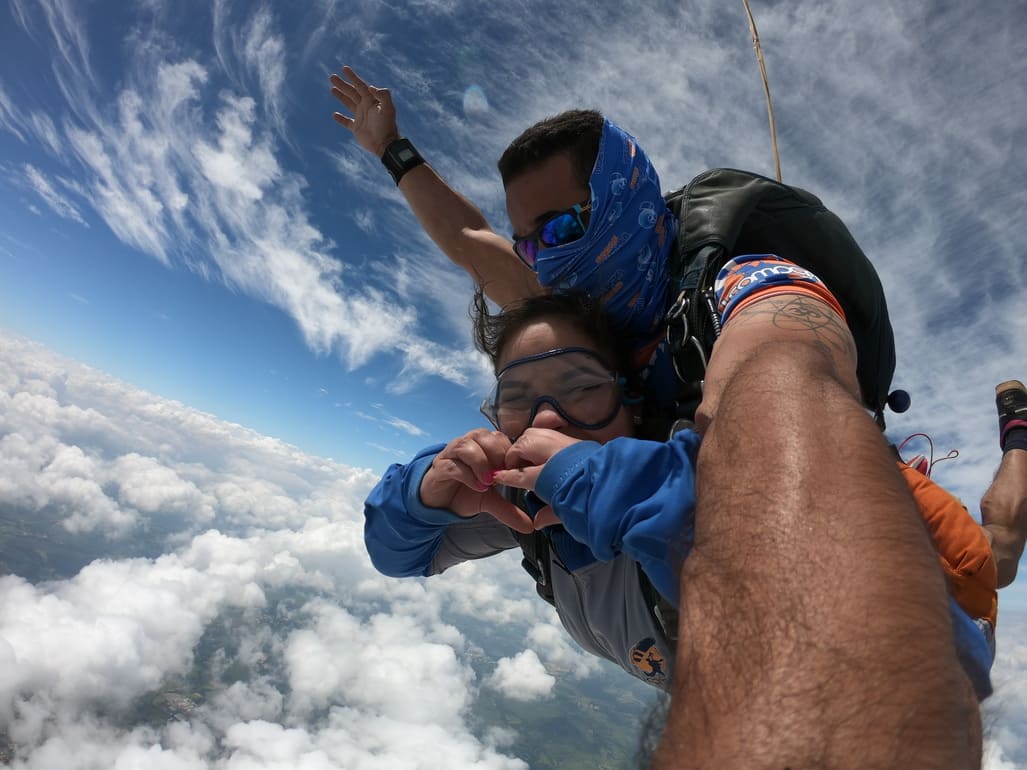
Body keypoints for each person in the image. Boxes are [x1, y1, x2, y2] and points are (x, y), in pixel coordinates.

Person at [333, 66, 1026, 767]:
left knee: (992, 559)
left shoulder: (747, 284)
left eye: (564, 225)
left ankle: (1017, 440)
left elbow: (789, 374)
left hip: (901, 550)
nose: (544, 257)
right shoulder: (576, 328)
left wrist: (613, 480)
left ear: (625, 196)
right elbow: (473, 241)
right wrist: (391, 148)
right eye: (530, 244)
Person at [364, 290, 997, 699]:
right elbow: (397, 555)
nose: (546, 421)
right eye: (518, 398)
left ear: (631, 404)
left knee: (1002, 546)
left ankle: (1015, 449)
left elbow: (916, 668)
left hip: (955, 602)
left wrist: (607, 484)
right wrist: (427, 491)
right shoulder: (528, 518)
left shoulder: (723, 481)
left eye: (582, 387)